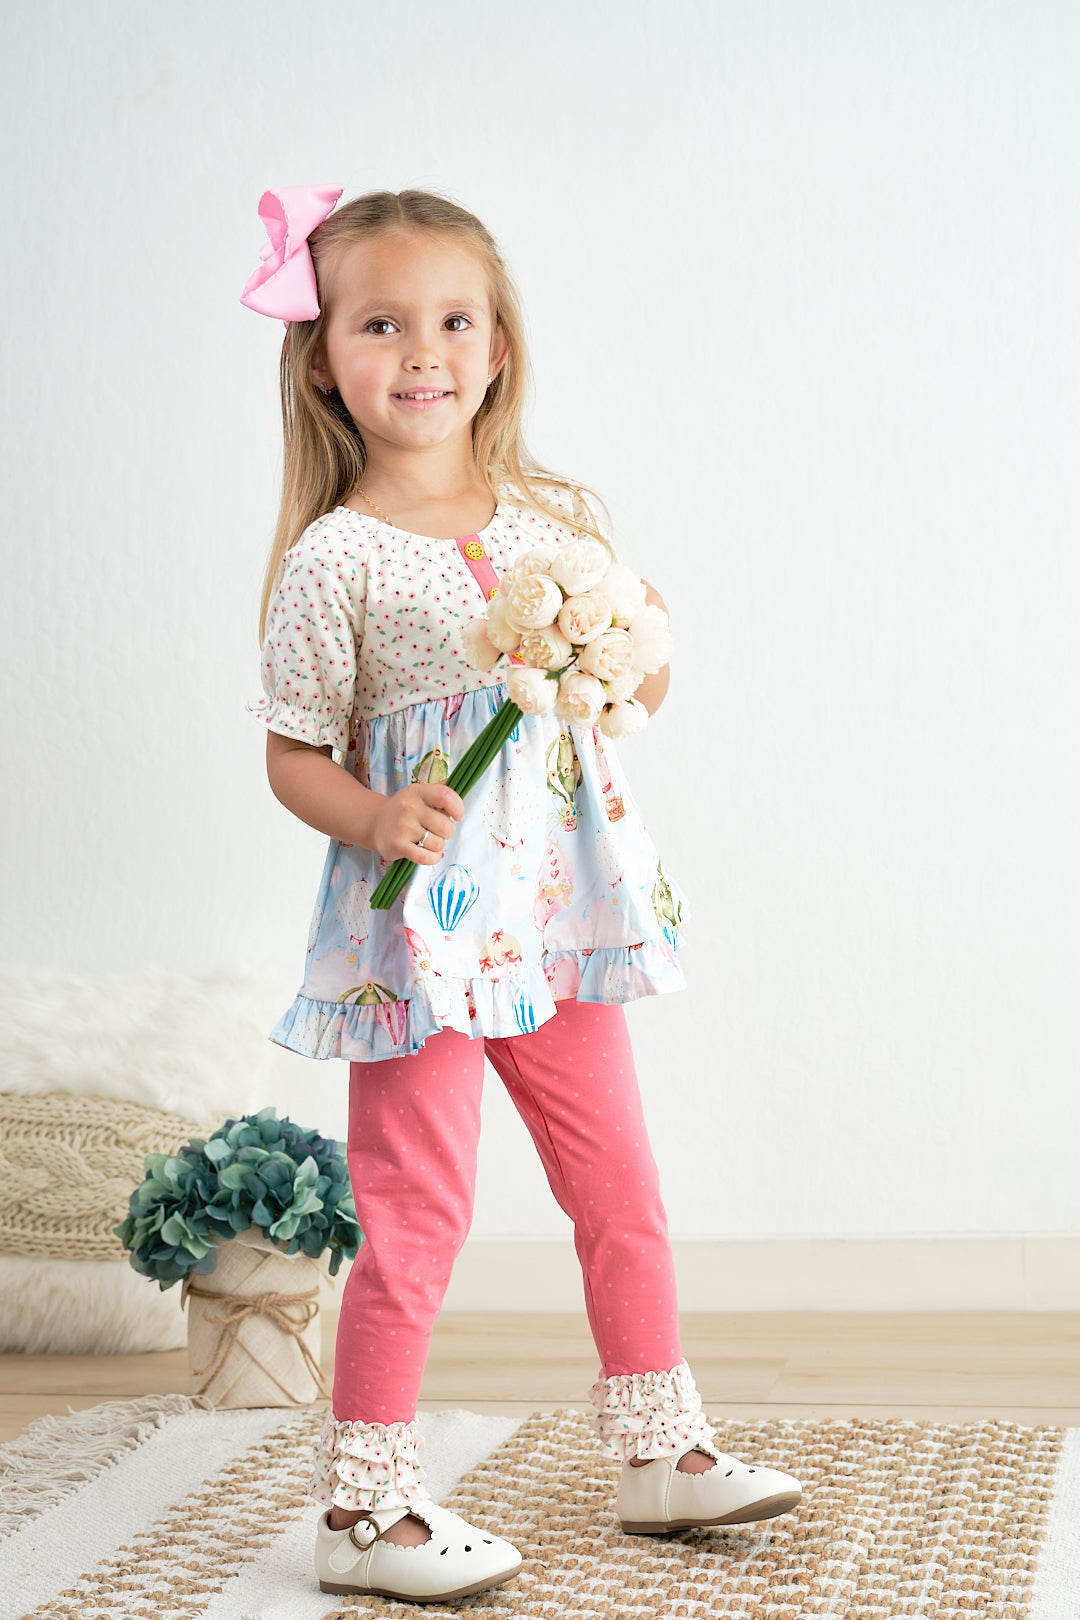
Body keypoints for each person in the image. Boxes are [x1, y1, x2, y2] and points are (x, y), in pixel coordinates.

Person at [243, 185, 802, 1604]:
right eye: (381, 325)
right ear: (324, 358)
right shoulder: (336, 557)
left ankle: (661, 1449)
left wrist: (635, 639)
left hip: (552, 922)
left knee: (619, 1182)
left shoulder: (553, 522)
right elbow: (293, 756)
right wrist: (377, 814)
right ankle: (364, 1508)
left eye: (453, 320)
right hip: (424, 934)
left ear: (497, 349)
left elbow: (628, 697)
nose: (422, 352)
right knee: (416, 1208)